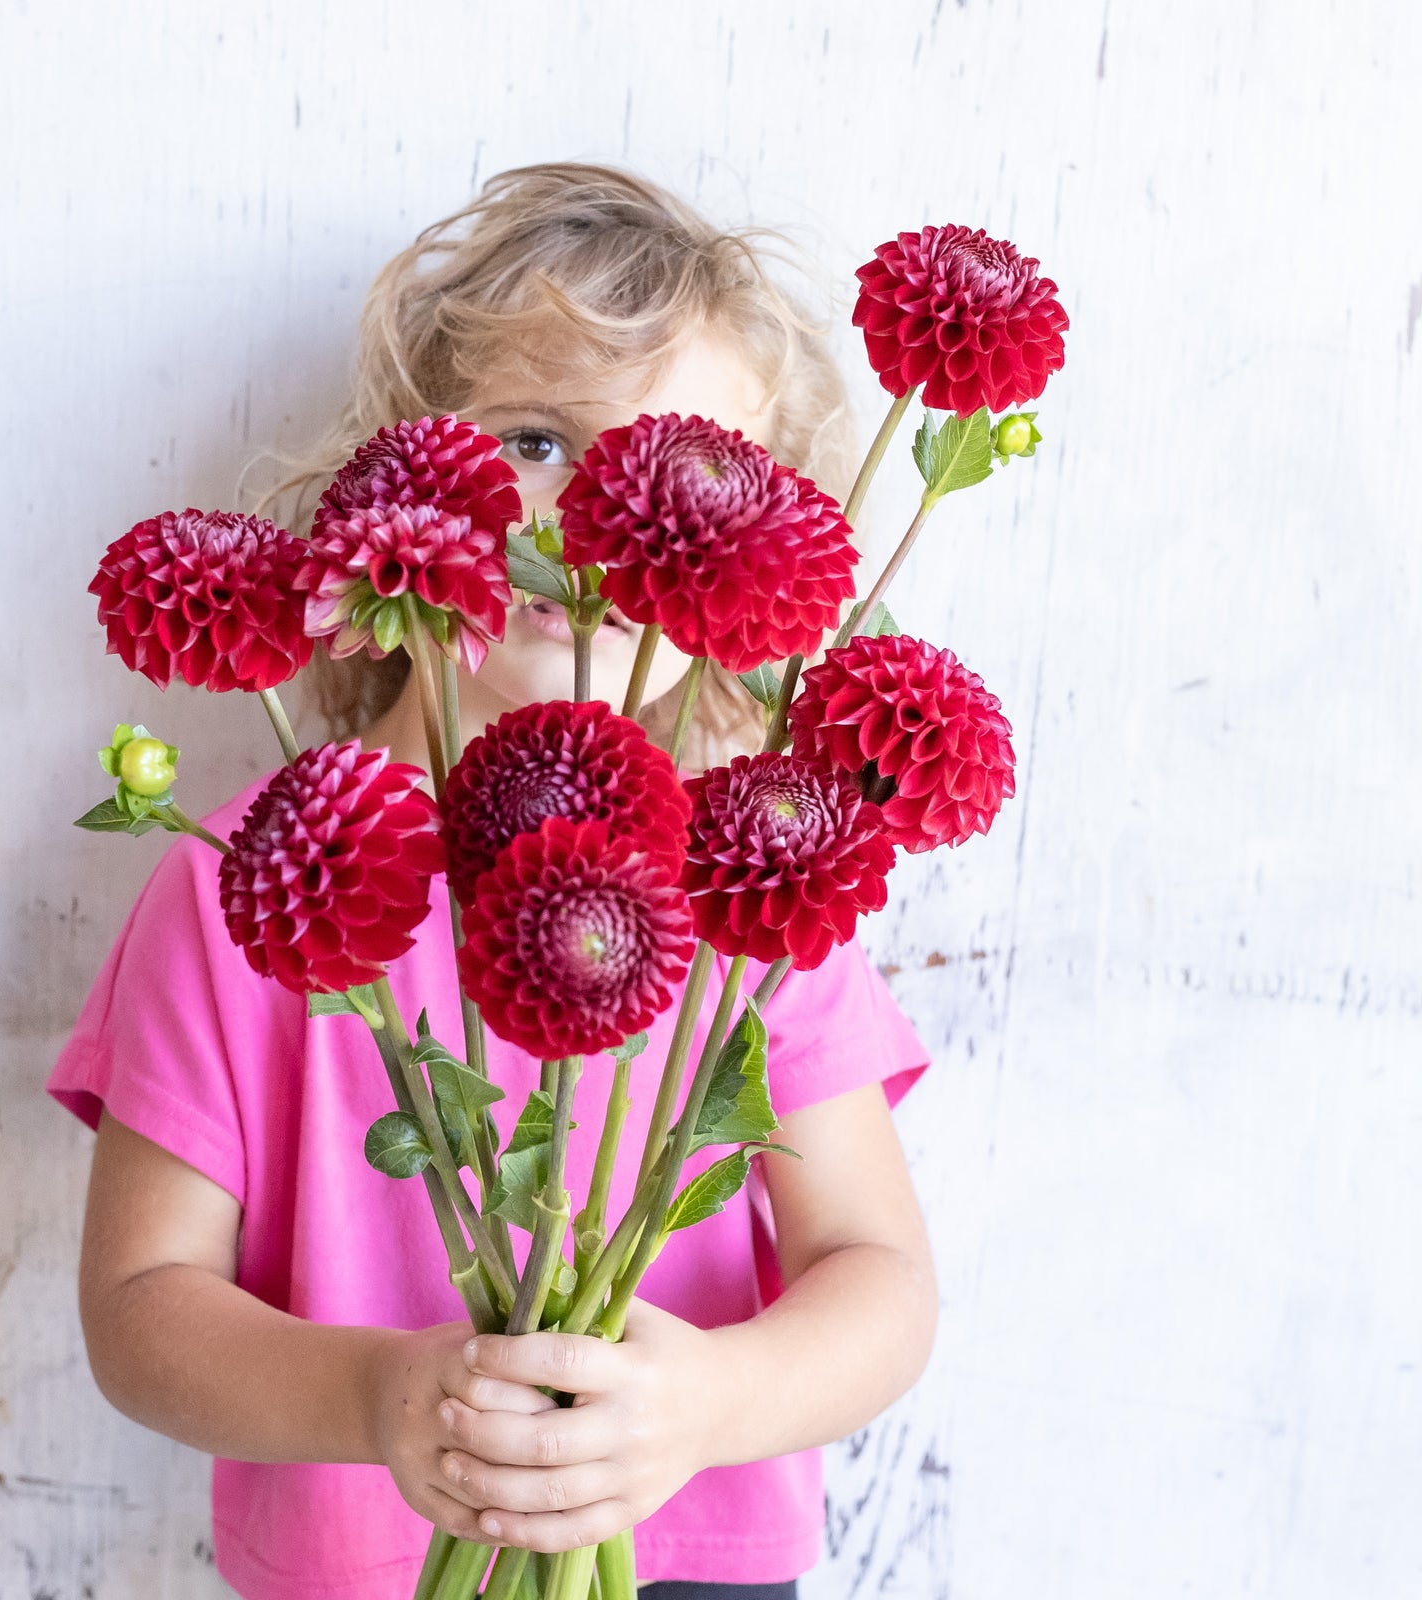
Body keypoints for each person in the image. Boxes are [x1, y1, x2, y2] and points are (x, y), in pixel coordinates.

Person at [50, 163, 938, 1600]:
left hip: (694, 1553)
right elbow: (144, 1312)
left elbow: (882, 1280)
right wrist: (381, 1399)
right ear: (405, 465)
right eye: (534, 437)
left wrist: (709, 1402)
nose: (587, 514)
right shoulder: (240, 883)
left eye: (675, 471)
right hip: (356, 1563)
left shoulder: (757, 875)